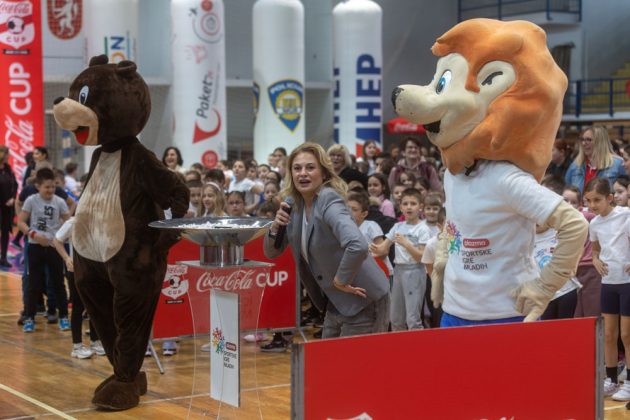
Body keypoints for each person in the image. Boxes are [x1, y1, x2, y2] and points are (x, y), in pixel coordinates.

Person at [264, 143, 389, 338]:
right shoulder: (294, 205)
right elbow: (272, 252)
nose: (303, 173)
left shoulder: (329, 200)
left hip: (364, 298)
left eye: (310, 167)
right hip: (336, 301)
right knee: (329, 356)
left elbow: (357, 245)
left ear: (323, 173)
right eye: (297, 168)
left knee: (353, 358)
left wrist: (340, 280)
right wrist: (275, 227)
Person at [584, 177, 630, 399]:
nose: (592, 205)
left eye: (597, 200)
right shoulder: (594, 224)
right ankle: (611, 380)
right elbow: (595, 251)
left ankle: (628, 382)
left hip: (627, 282)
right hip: (608, 283)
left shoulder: (625, 215)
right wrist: (595, 260)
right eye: (588, 200)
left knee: (627, 335)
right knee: (609, 334)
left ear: (610, 198)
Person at [17, 168, 71, 333]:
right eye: (47, 187)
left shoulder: (59, 202)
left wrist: (60, 235)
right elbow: (21, 222)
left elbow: (69, 222)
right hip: (35, 246)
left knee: (58, 283)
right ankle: (30, 318)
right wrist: (33, 234)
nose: (50, 190)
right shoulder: (31, 200)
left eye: (53, 186)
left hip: (54, 247)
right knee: (33, 283)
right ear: (38, 186)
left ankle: (63, 316)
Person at [370, 188, 430, 331]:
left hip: (415, 271)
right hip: (398, 271)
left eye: (413, 203)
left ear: (420, 206)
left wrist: (406, 244)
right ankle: (400, 345)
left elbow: (422, 257)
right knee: (395, 319)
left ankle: (418, 344)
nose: (409, 207)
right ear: (400, 207)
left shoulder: (423, 228)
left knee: (413, 319)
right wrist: (370, 248)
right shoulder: (397, 226)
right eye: (405, 203)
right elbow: (382, 249)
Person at [52, 216, 106, 359]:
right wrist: (66, 258)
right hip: (77, 271)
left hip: (95, 270)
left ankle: (95, 341)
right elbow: (57, 240)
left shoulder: (99, 221)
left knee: (95, 306)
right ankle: (77, 346)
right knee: (78, 307)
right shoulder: (73, 222)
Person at [565, 126, 626, 193]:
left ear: (600, 142)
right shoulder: (575, 165)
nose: (584, 143)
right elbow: (567, 190)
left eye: (589, 140)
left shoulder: (618, 164)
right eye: (582, 140)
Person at [0, 145, 17, 267]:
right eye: (7, 153)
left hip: (7, 207)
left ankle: (3, 257)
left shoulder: (8, 169)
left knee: (5, 232)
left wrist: (13, 198)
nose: (8, 156)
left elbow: (14, 185)